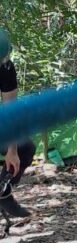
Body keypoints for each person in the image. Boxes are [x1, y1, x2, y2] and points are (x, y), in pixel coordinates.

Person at [0, 44, 36, 220]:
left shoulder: (5, 66)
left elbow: (10, 110)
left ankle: (3, 191)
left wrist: (12, 150)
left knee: (24, 148)